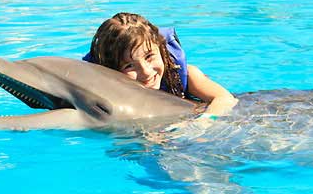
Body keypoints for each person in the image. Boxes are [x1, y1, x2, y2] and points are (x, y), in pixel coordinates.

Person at [83, 12, 238, 118]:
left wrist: (201, 125)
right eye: (129, 66)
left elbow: (225, 99)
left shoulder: (187, 75)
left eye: (149, 56)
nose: (146, 71)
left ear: (161, 49)